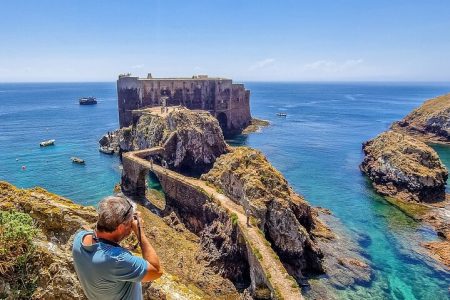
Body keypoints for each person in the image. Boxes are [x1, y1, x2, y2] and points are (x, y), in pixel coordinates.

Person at [72, 196, 162, 300]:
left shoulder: (79, 238)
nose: (131, 225)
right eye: (129, 223)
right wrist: (139, 231)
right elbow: (156, 271)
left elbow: (103, 241)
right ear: (120, 227)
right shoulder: (117, 260)